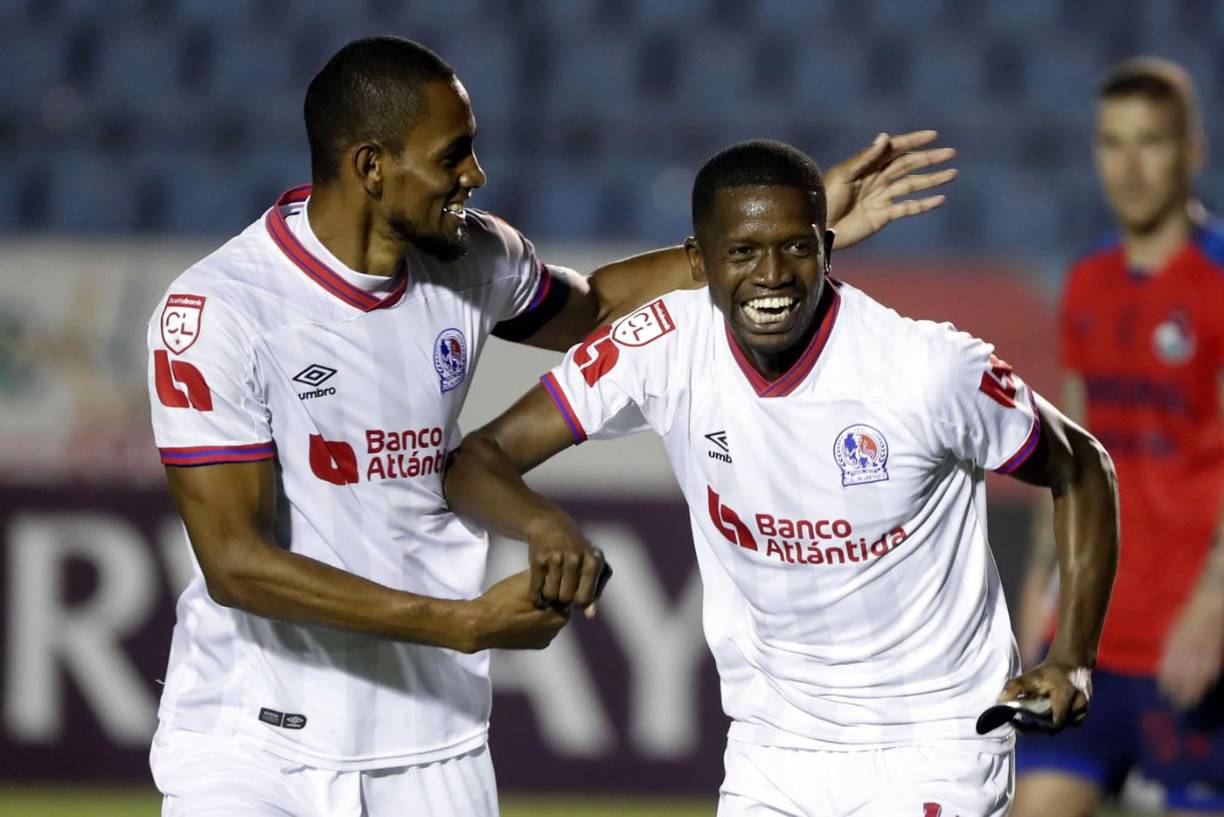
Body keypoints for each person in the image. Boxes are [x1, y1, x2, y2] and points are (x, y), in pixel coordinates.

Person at [145, 36, 956, 817]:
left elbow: (598, 308)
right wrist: (457, 623)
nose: (475, 173)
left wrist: (797, 243)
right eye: (452, 153)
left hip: (431, 742)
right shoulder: (221, 313)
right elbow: (237, 564)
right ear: (370, 166)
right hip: (254, 743)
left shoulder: (470, 257)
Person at [442, 139, 1121, 816]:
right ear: (699, 261)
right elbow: (478, 459)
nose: (771, 274)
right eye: (741, 252)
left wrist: (1072, 658)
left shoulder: (928, 371)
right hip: (772, 748)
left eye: (796, 248)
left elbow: (1084, 465)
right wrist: (542, 523)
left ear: (828, 247)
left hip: (933, 743)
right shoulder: (660, 347)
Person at [1013, 57, 1224, 817]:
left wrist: (1217, 597)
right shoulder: (1087, 282)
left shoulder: (1218, 280)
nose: (1129, 166)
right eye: (1112, 143)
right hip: (1094, 637)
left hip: (1191, 640)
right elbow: (1073, 449)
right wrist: (1043, 573)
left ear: (1191, 151)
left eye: (1151, 142)